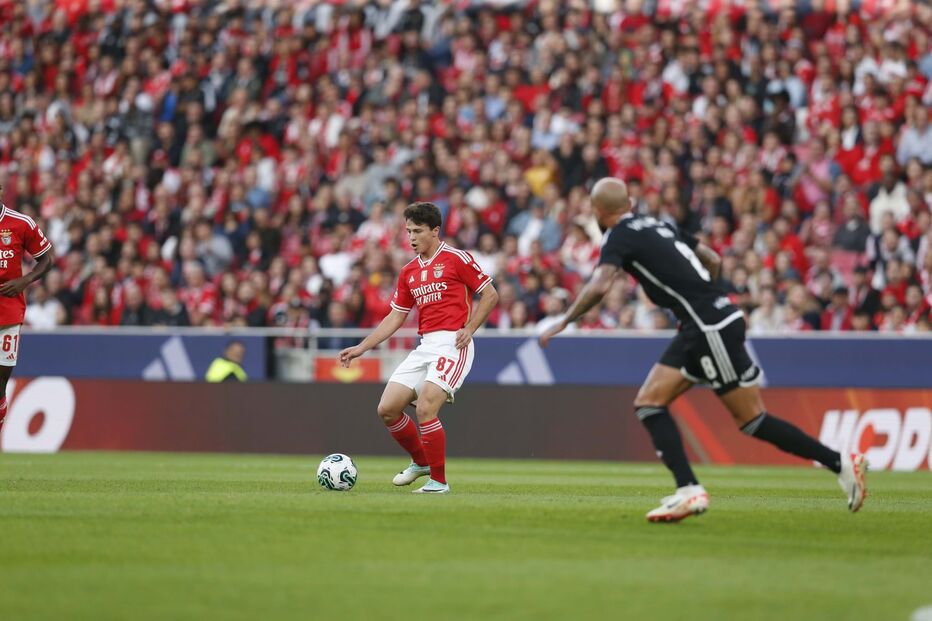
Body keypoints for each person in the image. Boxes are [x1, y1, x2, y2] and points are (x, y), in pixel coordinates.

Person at [540, 178, 867, 522]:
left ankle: (834, 464)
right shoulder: (656, 223)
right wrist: (702, 297)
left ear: (598, 211)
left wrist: (564, 320)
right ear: (630, 202)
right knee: (650, 403)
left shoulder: (618, 235)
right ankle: (691, 488)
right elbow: (711, 257)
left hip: (708, 326)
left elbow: (600, 283)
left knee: (751, 420)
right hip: (706, 323)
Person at [340, 202, 499, 493]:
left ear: (435, 231)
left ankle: (439, 482)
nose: (411, 237)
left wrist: (470, 327)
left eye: (417, 231)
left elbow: (490, 294)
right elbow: (396, 316)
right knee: (387, 409)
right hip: (425, 345)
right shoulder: (409, 271)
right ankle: (421, 461)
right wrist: (362, 347)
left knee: (426, 408)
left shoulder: (456, 258)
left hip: (453, 343)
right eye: (408, 231)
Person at [0, 187, 55, 432]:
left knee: (0, 384)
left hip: (8, 313)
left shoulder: (21, 223)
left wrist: (25, 280)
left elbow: (47, 259)